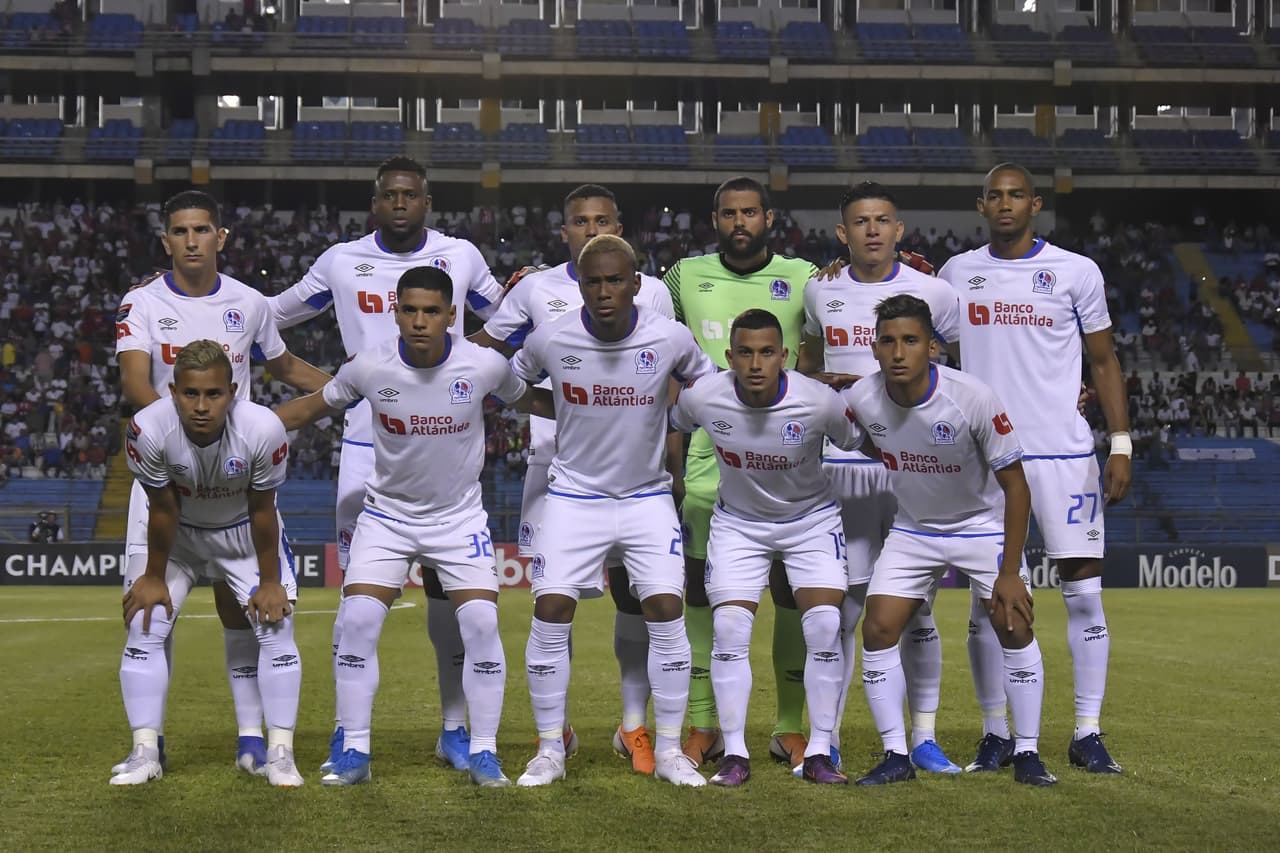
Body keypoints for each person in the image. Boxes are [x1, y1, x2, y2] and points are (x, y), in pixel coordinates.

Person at [267, 156, 506, 774]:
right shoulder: (340, 261)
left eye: (411, 195)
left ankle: (457, 731)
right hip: (366, 449)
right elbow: (271, 314)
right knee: (359, 606)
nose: (400, 204)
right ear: (375, 202)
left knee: (451, 602)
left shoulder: (463, 257)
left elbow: (511, 320)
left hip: (443, 443)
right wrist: (208, 296)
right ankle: (351, 734)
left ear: (428, 201)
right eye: (389, 195)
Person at [276, 267, 551, 787]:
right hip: (387, 518)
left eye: (432, 311)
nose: (420, 321)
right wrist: (244, 427)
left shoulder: (485, 365)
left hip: (458, 519)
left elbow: (532, 400)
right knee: (356, 621)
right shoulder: (369, 367)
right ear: (395, 312)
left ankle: (484, 752)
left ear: (452, 315)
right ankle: (355, 749)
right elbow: (309, 409)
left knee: (482, 627)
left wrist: (604, 412)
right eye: (410, 310)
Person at [114, 190, 328, 777]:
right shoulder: (142, 302)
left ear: (220, 237)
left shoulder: (250, 302)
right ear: (166, 240)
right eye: (179, 231)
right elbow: (136, 382)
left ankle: (260, 743)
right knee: (147, 618)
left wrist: (344, 388)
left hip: (238, 480)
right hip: (168, 480)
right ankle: (145, 748)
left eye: (201, 230)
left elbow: (283, 368)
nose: (191, 241)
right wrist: (179, 431)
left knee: (255, 618)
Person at [470, 183, 675, 774]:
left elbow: (666, 368)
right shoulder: (534, 289)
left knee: (635, 603)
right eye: (581, 221)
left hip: (637, 474)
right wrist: (559, 406)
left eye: (603, 219)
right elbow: (489, 353)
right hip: (555, 471)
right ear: (565, 231)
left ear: (621, 227)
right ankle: (551, 736)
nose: (592, 229)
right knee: (553, 604)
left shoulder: (653, 292)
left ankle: (634, 728)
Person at [938, 163, 1130, 774]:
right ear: (980, 205)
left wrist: (1120, 443)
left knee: (1084, 594)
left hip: (1065, 453)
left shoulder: (1077, 272)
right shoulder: (956, 274)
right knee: (986, 602)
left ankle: (1087, 731)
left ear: (1035, 204)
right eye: (994, 195)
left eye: (1016, 195)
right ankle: (995, 732)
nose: (1004, 204)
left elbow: (1103, 360)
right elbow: (925, 346)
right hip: (986, 458)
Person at [509, 234, 716, 788]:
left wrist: (676, 424)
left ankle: (670, 751)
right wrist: (557, 404)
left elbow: (706, 385)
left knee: (667, 612)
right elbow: (511, 384)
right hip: (574, 498)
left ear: (635, 283)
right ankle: (551, 749)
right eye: (593, 280)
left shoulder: (668, 337)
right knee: (551, 612)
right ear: (579, 283)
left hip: (648, 498)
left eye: (614, 280)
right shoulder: (552, 338)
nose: (604, 291)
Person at [844, 295, 1055, 787]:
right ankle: (897, 754)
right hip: (915, 530)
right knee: (877, 629)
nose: (898, 352)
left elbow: (1016, 484)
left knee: (1014, 623)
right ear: (874, 349)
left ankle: (1026, 751)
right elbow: (869, 437)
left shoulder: (972, 397)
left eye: (911, 341)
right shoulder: (861, 398)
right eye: (889, 341)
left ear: (932, 347)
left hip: (981, 527)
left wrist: (1008, 571)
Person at [795, 182, 964, 774]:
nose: (872, 230)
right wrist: (823, 388)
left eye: (882, 220)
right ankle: (829, 738)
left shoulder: (935, 293)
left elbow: (962, 370)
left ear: (899, 229)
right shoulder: (821, 290)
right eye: (860, 222)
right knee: (842, 609)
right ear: (843, 233)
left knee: (916, 608)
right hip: (843, 469)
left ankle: (923, 737)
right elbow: (807, 368)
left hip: (915, 468)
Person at [663, 176, 820, 770]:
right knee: (701, 593)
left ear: (768, 217)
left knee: (789, 594)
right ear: (714, 218)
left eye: (749, 212)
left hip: (786, 460)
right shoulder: (683, 275)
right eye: (729, 213)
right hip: (706, 460)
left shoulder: (806, 278)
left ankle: (787, 727)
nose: (739, 222)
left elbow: (845, 331)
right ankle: (703, 722)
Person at [668, 309, 861, 786]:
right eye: (746, 353)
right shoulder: (705, 397)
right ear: (729, 357)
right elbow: (670, 418)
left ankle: (818, 751)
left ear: (786, 357)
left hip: (810, 522)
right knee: (730, 627)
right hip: (739, 524)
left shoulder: (817, 402)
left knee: (824, 625)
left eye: (768, 352)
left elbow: (858, 437)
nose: (756, 363)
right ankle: (735, 754)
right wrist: (670, 479)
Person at [112, 341, 303, 787]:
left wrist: (270, 581)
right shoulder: (147, 429)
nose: (201, 406)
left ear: (232, 391)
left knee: (276, 627)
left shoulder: (263, 429)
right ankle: (144, 750)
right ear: (174, 391)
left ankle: (280, 752)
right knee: (146, 621)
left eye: (213, 394)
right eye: (191, 394)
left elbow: (262, 509)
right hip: (176, 537)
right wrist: (153, 577)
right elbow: (161, 509)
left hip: (241, 532)